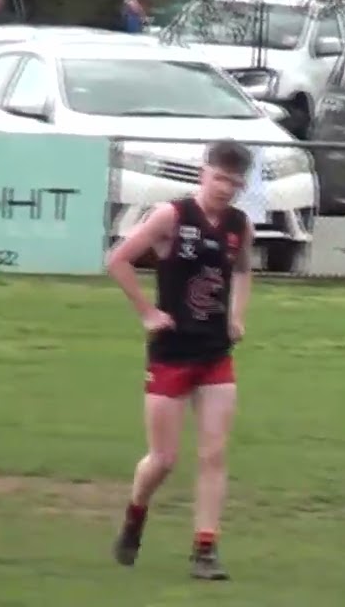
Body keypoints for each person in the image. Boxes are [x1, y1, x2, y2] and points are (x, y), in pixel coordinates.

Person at [106, 140, 256, 580]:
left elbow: (244, 269)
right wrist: (147, 313)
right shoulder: (172, 216)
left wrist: (237, 317)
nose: (226, 188)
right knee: (164, 459)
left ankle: (205, 550)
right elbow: (118, 260)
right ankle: (136, 514)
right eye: (219, 178)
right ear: (202, 173)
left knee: (214, 453)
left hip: (214, 354)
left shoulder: (239, 225)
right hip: (171, 352)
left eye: (235, 182)